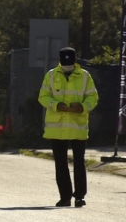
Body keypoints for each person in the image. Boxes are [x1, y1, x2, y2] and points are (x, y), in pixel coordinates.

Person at [38, 47, 98, 208]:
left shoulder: (85, 76)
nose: (67, 67)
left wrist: (83, 106)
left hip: (77, 127)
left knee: (79, 162)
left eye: (69, 64)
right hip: (57, 127)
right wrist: (57, 105)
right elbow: (43, 96)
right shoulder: (51, 75)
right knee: (61, 163)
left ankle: (79, 196)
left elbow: (93, 97)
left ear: (75, 61)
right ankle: (65, 197)